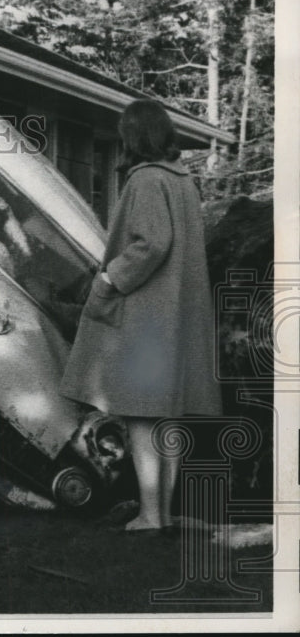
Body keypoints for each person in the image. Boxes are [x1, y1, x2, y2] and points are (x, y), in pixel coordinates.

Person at [59, 99, 222, 533]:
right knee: (164, 415)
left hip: (150, 315)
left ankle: (151, 515)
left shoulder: (148, 179)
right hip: (176, 314)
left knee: (143, 415)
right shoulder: (182, 181)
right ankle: (162, 513)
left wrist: (112, 277)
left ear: (135, 136)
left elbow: (152, 242)